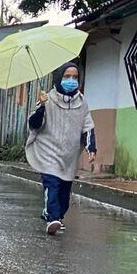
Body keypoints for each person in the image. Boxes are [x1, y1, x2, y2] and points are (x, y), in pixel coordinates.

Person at [25, 62, 96, 235]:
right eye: (66, 76)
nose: (71, 80)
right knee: (53, 185)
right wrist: (41, 107)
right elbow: (34, 125)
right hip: (48, 152)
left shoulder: (82, 102)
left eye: (75, 77)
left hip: (69, 156)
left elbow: (87, 125)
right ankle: (52, 219)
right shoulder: (47, 98)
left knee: (64, 194)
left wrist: (91, 147)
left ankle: (55, 214)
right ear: (59, 78)